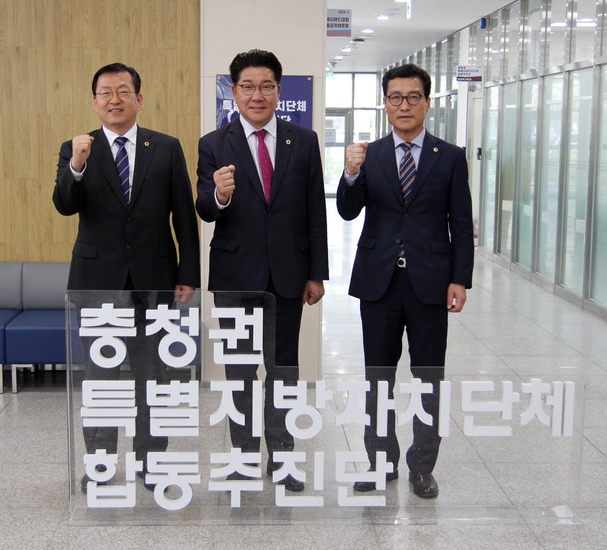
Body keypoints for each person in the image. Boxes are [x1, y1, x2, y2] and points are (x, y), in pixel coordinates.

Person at [53, 62, 200, 492]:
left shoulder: (166, 147)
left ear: (139, 98)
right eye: (105, 92)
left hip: (154, 283)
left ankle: (152, 463)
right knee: (101, 380)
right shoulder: (77, 148)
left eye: (123, 91)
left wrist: (188, 273)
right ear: (94, 101)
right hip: (97, 283)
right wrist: (76, 165)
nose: (114, 99)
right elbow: (64, 204)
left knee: (153, 376)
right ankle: (99, 464)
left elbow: (183, 216)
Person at [336, 63, 474, 499]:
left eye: (413, 97)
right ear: (385, 103)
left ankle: (422, 467)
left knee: (428, 379)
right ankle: (381, 463)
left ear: (427, 103)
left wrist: (460, 279)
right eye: (395, 97)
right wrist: (350, 173)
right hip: (378, 282)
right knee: (378, 378)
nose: (404, 105)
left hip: (430, 282)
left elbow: (460, 222)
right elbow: (347, 211)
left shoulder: (449, 157)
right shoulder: (370, 154)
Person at [196, 49, 329, 493]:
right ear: (234, 92)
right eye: (248, 87)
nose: (258, 95)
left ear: (279, 90)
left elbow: (315, 210)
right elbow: (204, 208)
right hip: (235, 277)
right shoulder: (214, 144)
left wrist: (317, 272)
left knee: (284, 369)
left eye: (266, 86)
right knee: (239, 372)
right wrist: (219, 195)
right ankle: (243, 456)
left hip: (288, 275)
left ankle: (283, 455)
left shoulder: (303, 140)